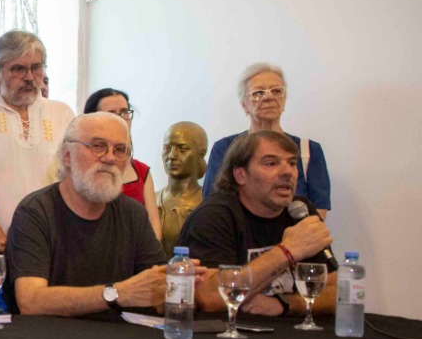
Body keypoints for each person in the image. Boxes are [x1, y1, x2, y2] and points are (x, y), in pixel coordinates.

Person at [5, 113, 177, 316]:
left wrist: (194, 284)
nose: (110, 158)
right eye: (98, 146)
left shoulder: (133, 213)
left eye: (119, 150)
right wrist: (117, 293)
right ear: (67, 155)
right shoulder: (35, 212)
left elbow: (160, 290)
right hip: (51, 335)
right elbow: (31, 301)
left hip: (120, 334)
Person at [178, 130, 337, 315]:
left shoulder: (300, 211)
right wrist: (286, 252)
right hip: (227, 330)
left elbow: (338, 292)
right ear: (241, 175)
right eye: (271, 163)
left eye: (292, 163)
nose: (287, 172)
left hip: (287, 329)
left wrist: (284, 304)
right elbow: (209, 297)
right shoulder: (215, 215)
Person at [0, 30, 75, 253]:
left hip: (52, 246)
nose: (29, 77)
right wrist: (0, 241)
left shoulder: (62, 113)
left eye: (36, 67)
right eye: (18, 69)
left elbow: (73, 179)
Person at [203, 63, 331, 217]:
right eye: (258, 93)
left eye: (276, 91)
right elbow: (212, 206)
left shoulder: (308, 150)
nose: (269, 97)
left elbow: (319, 212)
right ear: (244, 105)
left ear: (284, 100)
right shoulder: (225, 148)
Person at [83, 88, 160, 242]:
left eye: (124, 112)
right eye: (112, 114)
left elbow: (154, 226)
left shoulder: (141, 171)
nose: (121, 119)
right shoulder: (84, 170)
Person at [156, 121, 209, 257]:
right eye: (167, 148)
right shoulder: (151, 200)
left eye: (183, 149)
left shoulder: (207, 203)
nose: (172, 156)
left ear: (200, 154)